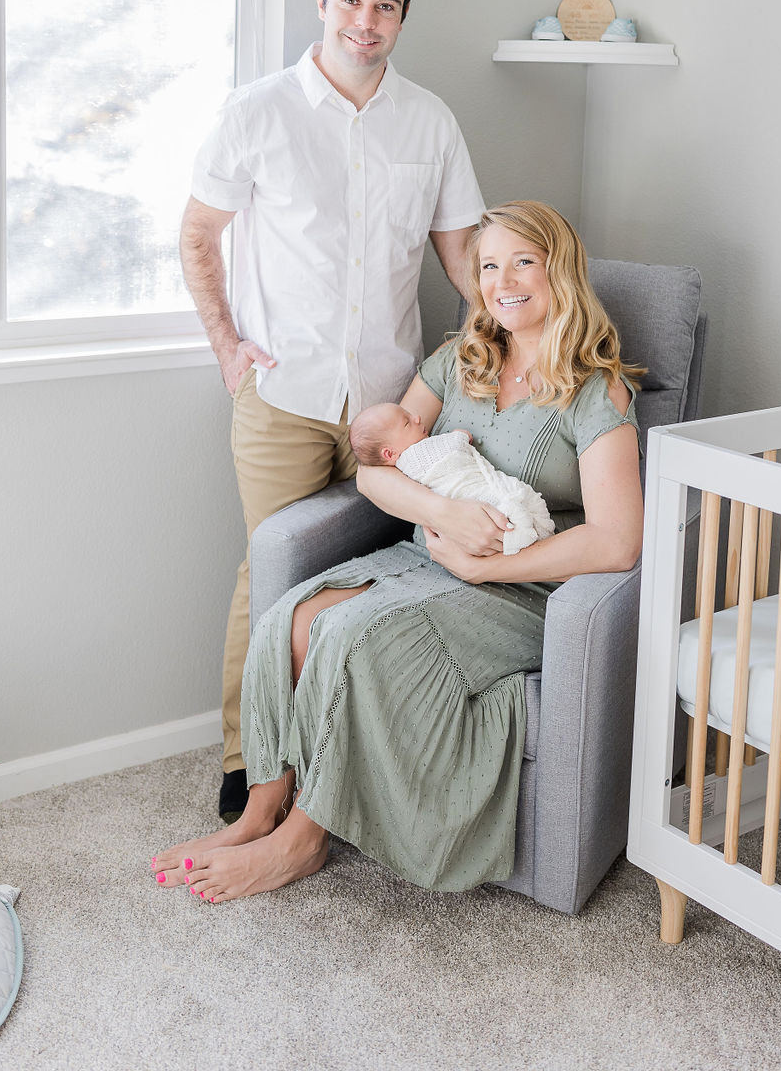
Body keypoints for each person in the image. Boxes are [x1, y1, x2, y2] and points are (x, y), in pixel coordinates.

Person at [152, 200, 644, 901]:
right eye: (490, 265)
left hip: (526, 590)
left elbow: (619, 540)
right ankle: (264, 809)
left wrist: (490, 564)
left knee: (353, 634)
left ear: (559, 270)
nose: (505, 280)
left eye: (523, 261)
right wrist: (440, 512)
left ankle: (303, 841)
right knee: (292, 619)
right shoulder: (458, 361)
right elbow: (377, 470)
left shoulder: (599, 391)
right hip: (426, 555)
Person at [180, 0, 485, 822]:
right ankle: (250, 758)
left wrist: (482, 352)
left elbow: (464, 255)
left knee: (388, 567)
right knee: (269, 572)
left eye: (386, 4)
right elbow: (199, 236)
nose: (367, 20)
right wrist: (227, 346)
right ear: (322, 2)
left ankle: (346, 757)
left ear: (402, 16)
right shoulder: (258, 111)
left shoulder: (430, 121)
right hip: (283, 401)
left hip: (392, 406)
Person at [348, 402, 556, 554]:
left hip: (456, 526)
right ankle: (528, 531)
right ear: (389, 454)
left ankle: (524, 534)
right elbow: (452, 446)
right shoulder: (416, 455)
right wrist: (460, 434)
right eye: (407, 423)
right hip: (468, 498)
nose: (417, 418)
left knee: (507, 510)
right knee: (510, 500)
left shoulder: (401, 471)